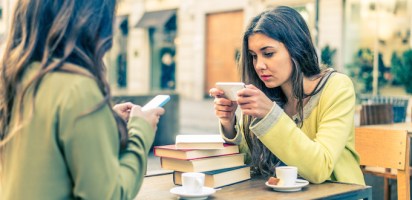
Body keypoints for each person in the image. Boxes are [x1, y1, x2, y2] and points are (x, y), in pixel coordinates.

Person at [0, 0, 165, 199]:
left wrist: (104, 120)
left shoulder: (18, 77)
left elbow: (45, 145)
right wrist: (140, 131)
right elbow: (108, 195)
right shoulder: (78, 88)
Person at [209, 6, 364, 185]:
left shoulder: (336, 87)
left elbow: (319, 168)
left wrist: (271, 114)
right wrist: (229, 123)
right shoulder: (267, 93)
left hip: (340, 194)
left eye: (268, 54)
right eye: (253, 56)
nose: (259, 65)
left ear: (296, 47)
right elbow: (251, 161)